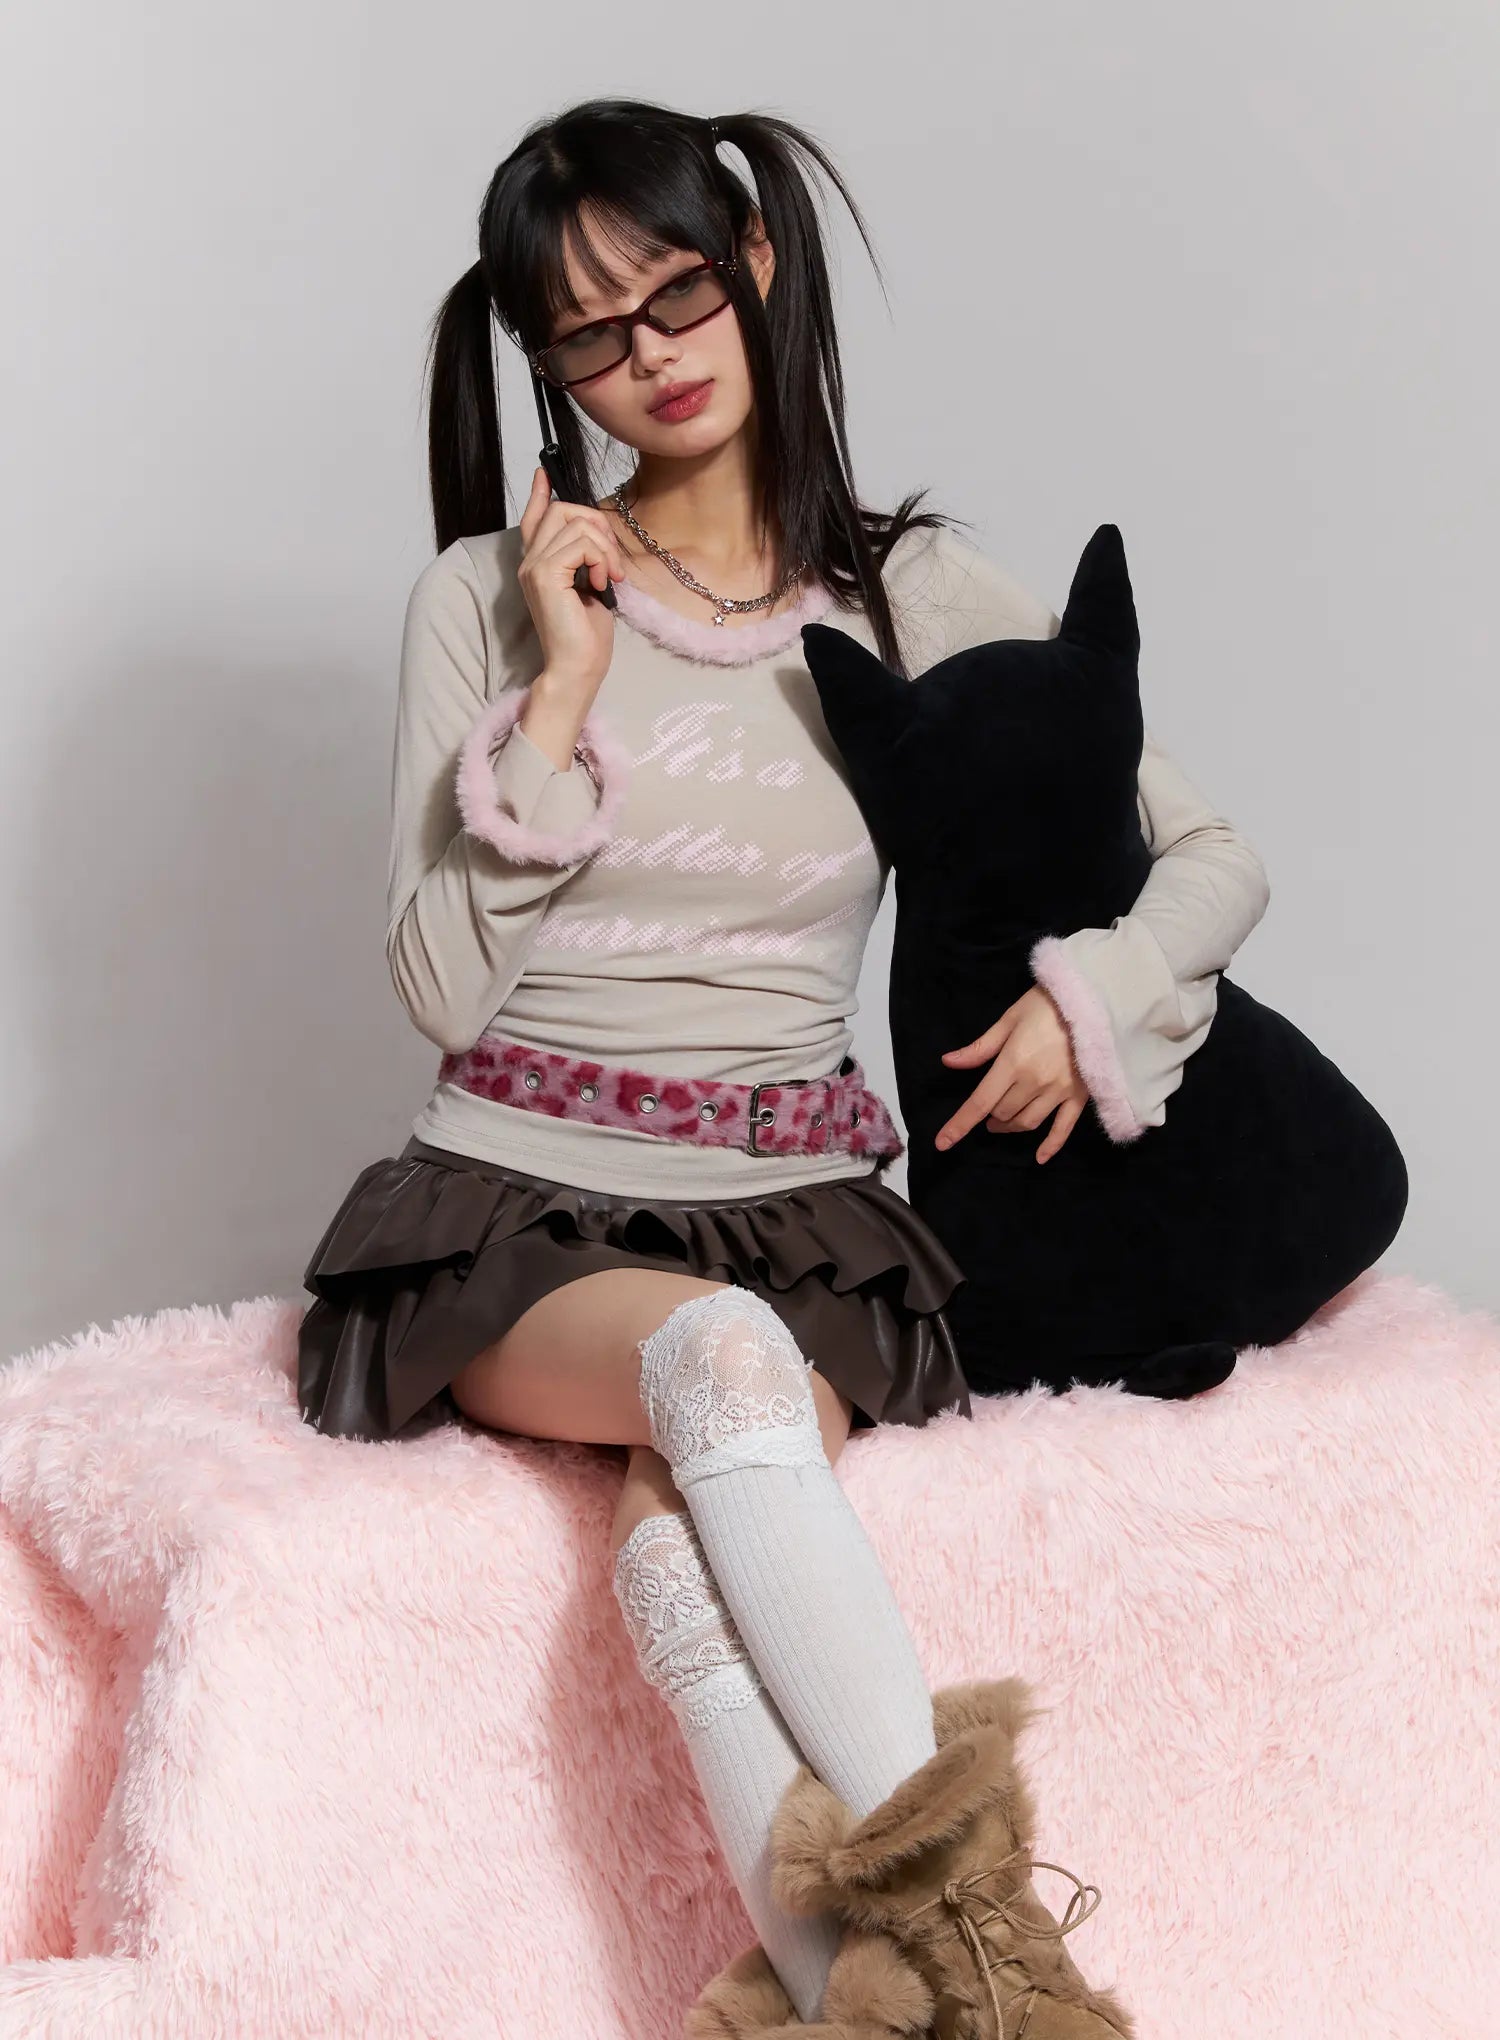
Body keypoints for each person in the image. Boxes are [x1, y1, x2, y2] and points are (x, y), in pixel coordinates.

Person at [295, 97, 1268, 2032]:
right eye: (589, 334)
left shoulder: (912, 596)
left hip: (803, 1214)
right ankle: (1008, 1972)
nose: (650, 356)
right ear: (546, 362)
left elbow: (1213, 857)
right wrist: (564, 689)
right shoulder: (488, 601)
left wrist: (1092, 994)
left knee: (682, 1542)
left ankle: (862, 2011)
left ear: (753, 263)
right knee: (715, 1367)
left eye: (675, 293)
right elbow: (438, 984)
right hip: (518, 1216)